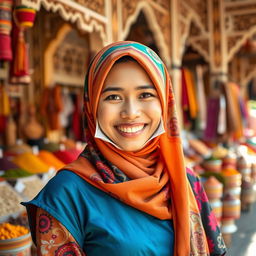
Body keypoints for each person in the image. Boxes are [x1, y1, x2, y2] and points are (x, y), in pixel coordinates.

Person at [22, 41, 227, 256]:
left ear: (165, 103)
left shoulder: (186, 180)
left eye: (145, 95)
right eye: (113, 97)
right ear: (92, 106)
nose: (130, 112)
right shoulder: (65, 195)